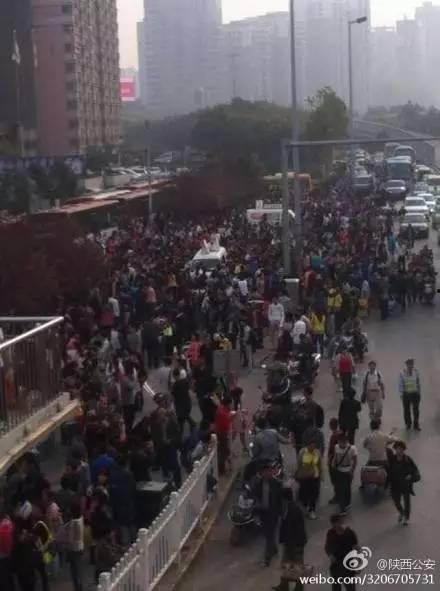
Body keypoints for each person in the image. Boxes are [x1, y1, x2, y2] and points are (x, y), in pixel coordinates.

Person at [273, 486, 307, 591]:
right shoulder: (287, 508)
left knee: (297, 567)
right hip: (289, 542)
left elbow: (297, 530)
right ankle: (284, 585)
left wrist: (293, 545)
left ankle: (299, 587)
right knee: (286, 564)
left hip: (296, 543)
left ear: (284, 498)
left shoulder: (294, 510)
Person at [251, 462, 283, 566]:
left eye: (269, 471)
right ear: (261, 473)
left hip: (273, 513)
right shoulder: (257, 484)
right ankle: (274, 549)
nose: (267, 473)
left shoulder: (277, 484)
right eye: (265, 471)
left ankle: (267, 559)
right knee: (267, 534)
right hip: (263, 513)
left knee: (270, 535)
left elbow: (281, 500)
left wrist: (281, 513)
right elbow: (254, 497)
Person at [388, 441, 420, 525]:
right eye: (397, 449)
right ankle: (401, 512)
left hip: (405, 484)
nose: (399, 451)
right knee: (396, 502)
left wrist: (411, 476)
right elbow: (388, 470)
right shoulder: (392, 459)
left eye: (401, 449)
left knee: (407, 502)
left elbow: (415, 470)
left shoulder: (408, 459)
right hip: (395, 484)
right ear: (395, 449)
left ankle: (406, 517)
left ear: (403, 449)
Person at [325, 514, 359, 591]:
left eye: (339, 522)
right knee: (336, 587)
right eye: (334, 524)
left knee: (350, 587)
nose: (338, 525)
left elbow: (356, 547)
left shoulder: (349, 532)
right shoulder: (330, 533)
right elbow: (327, 547)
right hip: (336, 565)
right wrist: (330, 555)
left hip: (348, 565)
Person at [295, 441, 323, 520]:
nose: (312, 448)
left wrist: (321, 475)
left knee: (314, 494)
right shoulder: (302, 452)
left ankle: (312, 510)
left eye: (314, 446)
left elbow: (320, 464)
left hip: (315, 476)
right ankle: (305, 506)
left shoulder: (317, 452)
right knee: (304, 493)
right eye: (311, 446)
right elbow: (299, 464)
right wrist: (298, 474)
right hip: (305, 477)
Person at [331, 432, 357, 515]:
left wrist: (352, 470)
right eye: (340, 441)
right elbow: (335, 457)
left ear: (346, 441)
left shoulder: (352, 448)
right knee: (342, 489)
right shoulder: (336, 447)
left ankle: (346, 503)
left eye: (342, 441)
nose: (341, 443)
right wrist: (333, 463)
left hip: (347, 470)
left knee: (347, 488)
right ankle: (343, 508)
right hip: (340, 470)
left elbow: (355, 460)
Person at [65, 501, 85, 591]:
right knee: (79, 570)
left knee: (74, 572)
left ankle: (77, 588)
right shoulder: (81, 519)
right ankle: (80, 587)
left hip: (73, 549)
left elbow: (70, 539)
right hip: (80, 547)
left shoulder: (72, 523)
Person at [398, 358, 421, 430]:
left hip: (415, 393)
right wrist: (401, 394)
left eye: (412, 363)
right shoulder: (402, 373)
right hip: (406, 394)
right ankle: (408, 424)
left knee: (416, 410)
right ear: (407, 364)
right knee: (406, 410)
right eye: (409, 364)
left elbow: (418, 382)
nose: (411, 365)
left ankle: (416, 424)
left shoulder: (416, 372)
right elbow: (400, 384)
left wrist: (419, 392)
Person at [215, 396, 233, 475]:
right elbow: (225, 425)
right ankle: (222, 470)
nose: (231, 405)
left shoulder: (221, 410)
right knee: (223, 452)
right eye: (231, 404)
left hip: (221, 433)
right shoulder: (223, 413)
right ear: (228, 404)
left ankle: (226, 466)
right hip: (222, 434)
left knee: (224, 451)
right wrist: (231, 419)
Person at [327, 418, 343, 504]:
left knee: (335, 480)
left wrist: (329, 462)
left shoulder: (334, 436)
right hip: (342, 459)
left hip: (335, 460)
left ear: (330, 426)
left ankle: (337, 496)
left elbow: (331, 450)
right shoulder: (341, 433)